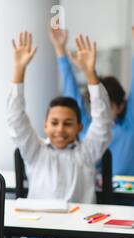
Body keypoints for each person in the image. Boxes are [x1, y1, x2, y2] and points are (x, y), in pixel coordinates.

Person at [8, 31, 114, 238]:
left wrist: (91, 75)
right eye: (54, 123)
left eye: (68, 123)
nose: (60, 129)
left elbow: (102, 121)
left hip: (82, 236)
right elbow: (16, 118)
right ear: (45, 125)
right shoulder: (35, 151)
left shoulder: (87, 152)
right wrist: (19, 70)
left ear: (79, 127)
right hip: (40, 233)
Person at [49, 26, 134, 177]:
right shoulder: (87, 128)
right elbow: (72, 94)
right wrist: (60, 50)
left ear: (121, 107)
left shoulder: (129, 127)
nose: (103, 110)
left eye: (110, 107)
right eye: (99, 104)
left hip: (126, 198)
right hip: (93, 196)